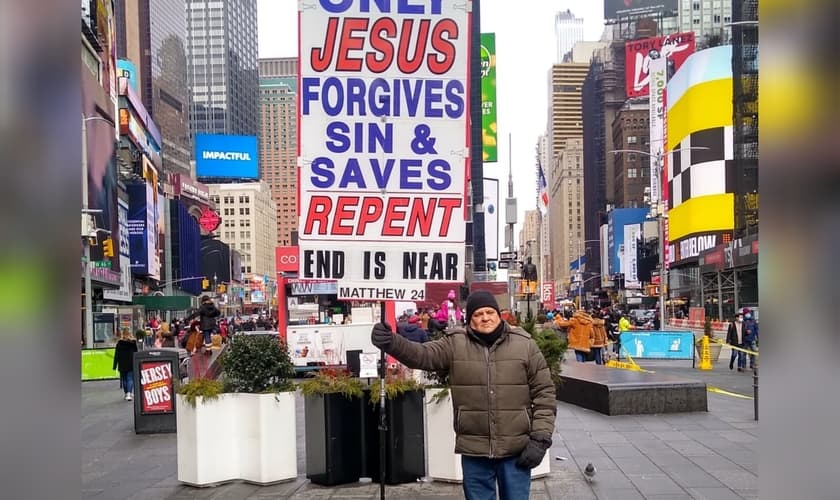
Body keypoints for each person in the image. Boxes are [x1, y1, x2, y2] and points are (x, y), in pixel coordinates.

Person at [371, 291, 556, 499]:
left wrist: (540, 438)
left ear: (498, 315)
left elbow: (544, 393)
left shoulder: (524, 345)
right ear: (469, 320)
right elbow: (422, 355)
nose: (485, 318)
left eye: (489, 312)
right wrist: (391, 342)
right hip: (474, 450)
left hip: (516, 450)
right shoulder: (455, 344)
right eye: (478, 314)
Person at [112, 329, 138, 401]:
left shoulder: (119, 343)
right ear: (130, 334)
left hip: (122, 363)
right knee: (130, 378)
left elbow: (116, 355)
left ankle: (126, 393)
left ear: (122, 334)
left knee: (124, 379)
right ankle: (129, 393)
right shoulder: (133, 343)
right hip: (131, 362)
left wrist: (114, 365)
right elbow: (136, 353)